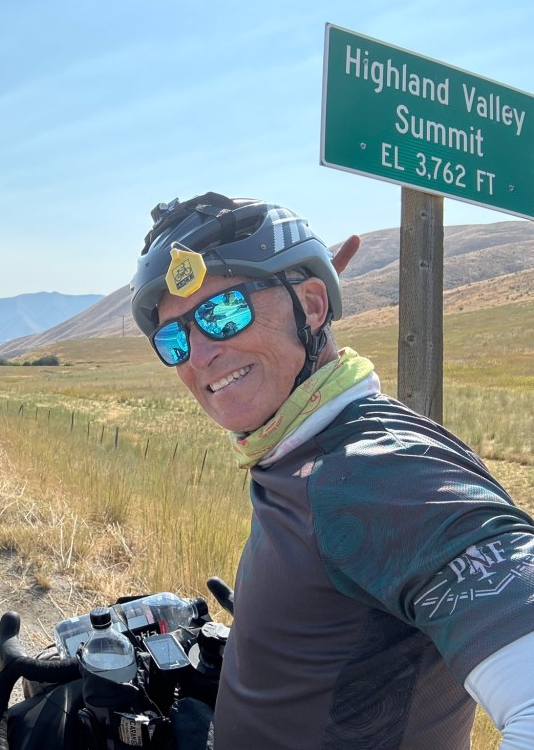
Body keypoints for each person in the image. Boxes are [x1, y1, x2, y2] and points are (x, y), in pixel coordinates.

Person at [129, 192, 534, 749]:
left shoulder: (384, 472)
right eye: (174, 339)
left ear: (313, 305)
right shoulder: (298, 449)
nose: (198, 356)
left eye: (223, 313)